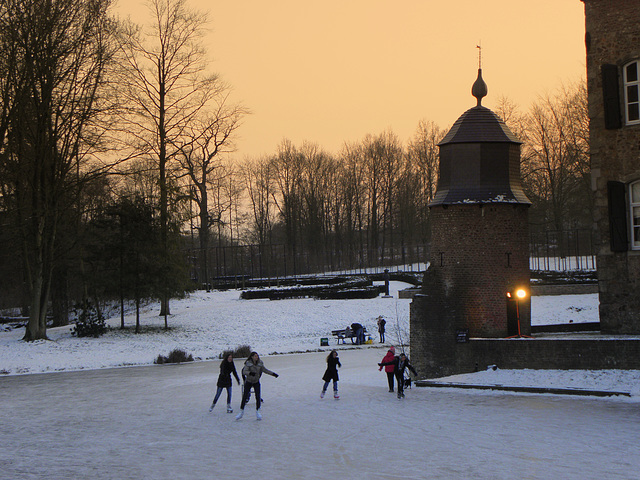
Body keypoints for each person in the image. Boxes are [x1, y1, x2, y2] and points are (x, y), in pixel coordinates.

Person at [236, 352, 279, 420]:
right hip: (249, 382)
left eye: (257, 356)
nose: (257, 357)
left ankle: (258, 412)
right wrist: (250, 373)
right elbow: (244, 371)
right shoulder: (248, 363)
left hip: (256, 382)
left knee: (258, 396)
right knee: (245, 397)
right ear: (252, 357)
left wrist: (273, 374)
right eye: (255, 356)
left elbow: (265, 370)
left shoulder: (260, 363)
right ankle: (241, 412)